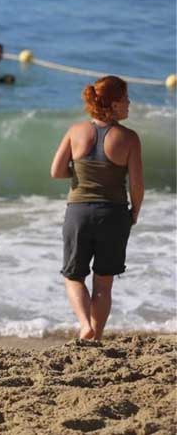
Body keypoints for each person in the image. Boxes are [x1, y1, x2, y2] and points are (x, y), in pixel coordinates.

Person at [50, 75, 143, 341]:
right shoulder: (129, 138)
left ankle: (84, 325)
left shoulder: (75, 131)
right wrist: (134, 211)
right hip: (113, 215)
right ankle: (97, 335)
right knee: (103, 282)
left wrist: (82, 174)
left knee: (74, 276)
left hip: (78, 213)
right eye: (125, 98)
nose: (129, 103)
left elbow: (56, 171)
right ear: (112, 104)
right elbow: (137, 185)